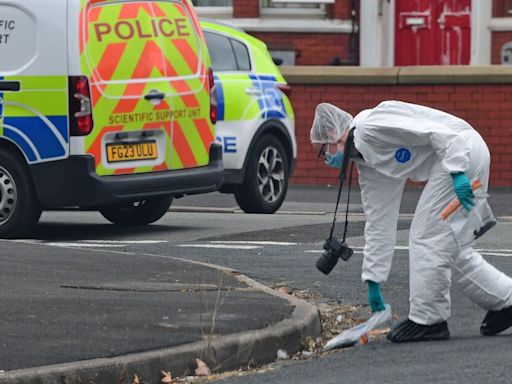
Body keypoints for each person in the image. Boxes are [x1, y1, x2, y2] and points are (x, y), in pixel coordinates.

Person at [310, 100, 512, 343]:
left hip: (461, 154)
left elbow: (442, 135)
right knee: (452, 250)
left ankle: (428, 320)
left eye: (323, 151)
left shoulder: (371, 126)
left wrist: (458, 172)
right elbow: (378, 221)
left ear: (333, 135)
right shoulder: (366, 161)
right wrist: (373, 280)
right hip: (457, 161)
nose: (326, 160)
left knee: (425, 235)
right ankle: (506, 301)